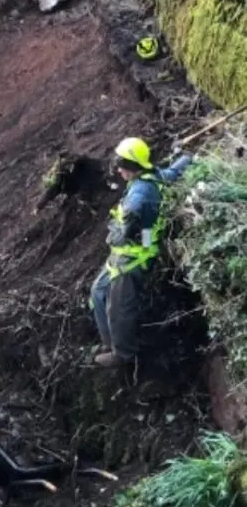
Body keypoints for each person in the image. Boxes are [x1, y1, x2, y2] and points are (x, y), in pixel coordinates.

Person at [90, 137, 192, 367]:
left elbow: (135, 207)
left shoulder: (141, 191)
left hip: (136, 254)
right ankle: (109, 341)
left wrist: (125, 226)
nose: (118, 170)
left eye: (121, 165)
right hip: (134, 246)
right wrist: (186, 157)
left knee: (118, 306)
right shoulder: (152, 176)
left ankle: (122, 354)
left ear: (132, 166)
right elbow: (173, 172)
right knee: (98, 292)